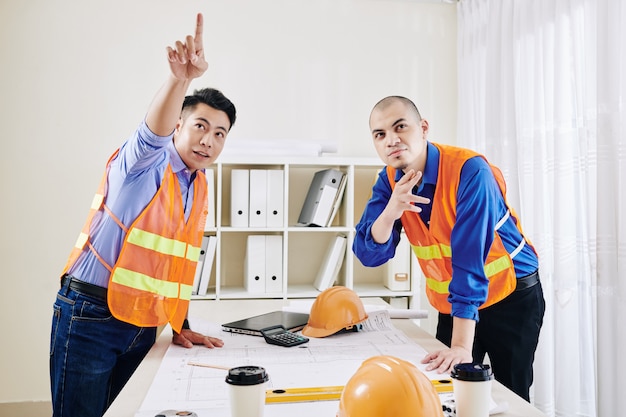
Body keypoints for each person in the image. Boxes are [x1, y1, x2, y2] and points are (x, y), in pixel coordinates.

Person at [49, 13, 236, 417]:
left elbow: (176, 262)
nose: (209, 140)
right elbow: (152, 132)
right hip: (90, 316)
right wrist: (180, 80)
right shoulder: (144, 163)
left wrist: (180, 323)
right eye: (200, 125)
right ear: (178, 125)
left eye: (220, 133)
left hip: (143, 320)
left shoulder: (198, 183)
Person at [353, 96, 545, 401]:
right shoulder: (389, 180)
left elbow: (470, 259)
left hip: (511, 294)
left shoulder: (471, 171)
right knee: (448, 388)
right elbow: (368, 254)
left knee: (508, 395)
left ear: (424, 128)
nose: (392, 140)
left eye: (400, 126)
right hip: (456, 299)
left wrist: (460, 347)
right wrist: (391, 210)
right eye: (380, 134)